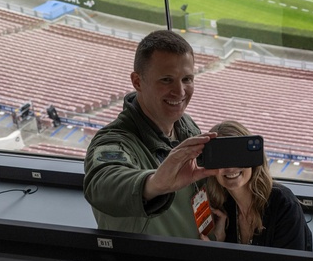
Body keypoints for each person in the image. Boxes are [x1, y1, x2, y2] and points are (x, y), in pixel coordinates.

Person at [83, 30, 217, 237]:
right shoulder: (114, 141)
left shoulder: (185, 125)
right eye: (166, 80)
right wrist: (153, 184)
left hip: (194, 256)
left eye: (187, 79)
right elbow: (102, 184)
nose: (180, 91)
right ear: (137, 82)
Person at [203, 120, 312, 251]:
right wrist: (219, 242)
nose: (230, 168)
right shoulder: (223, 209)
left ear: (253, 158)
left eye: (237, 156)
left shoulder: (283, 204)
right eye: (222, 159)